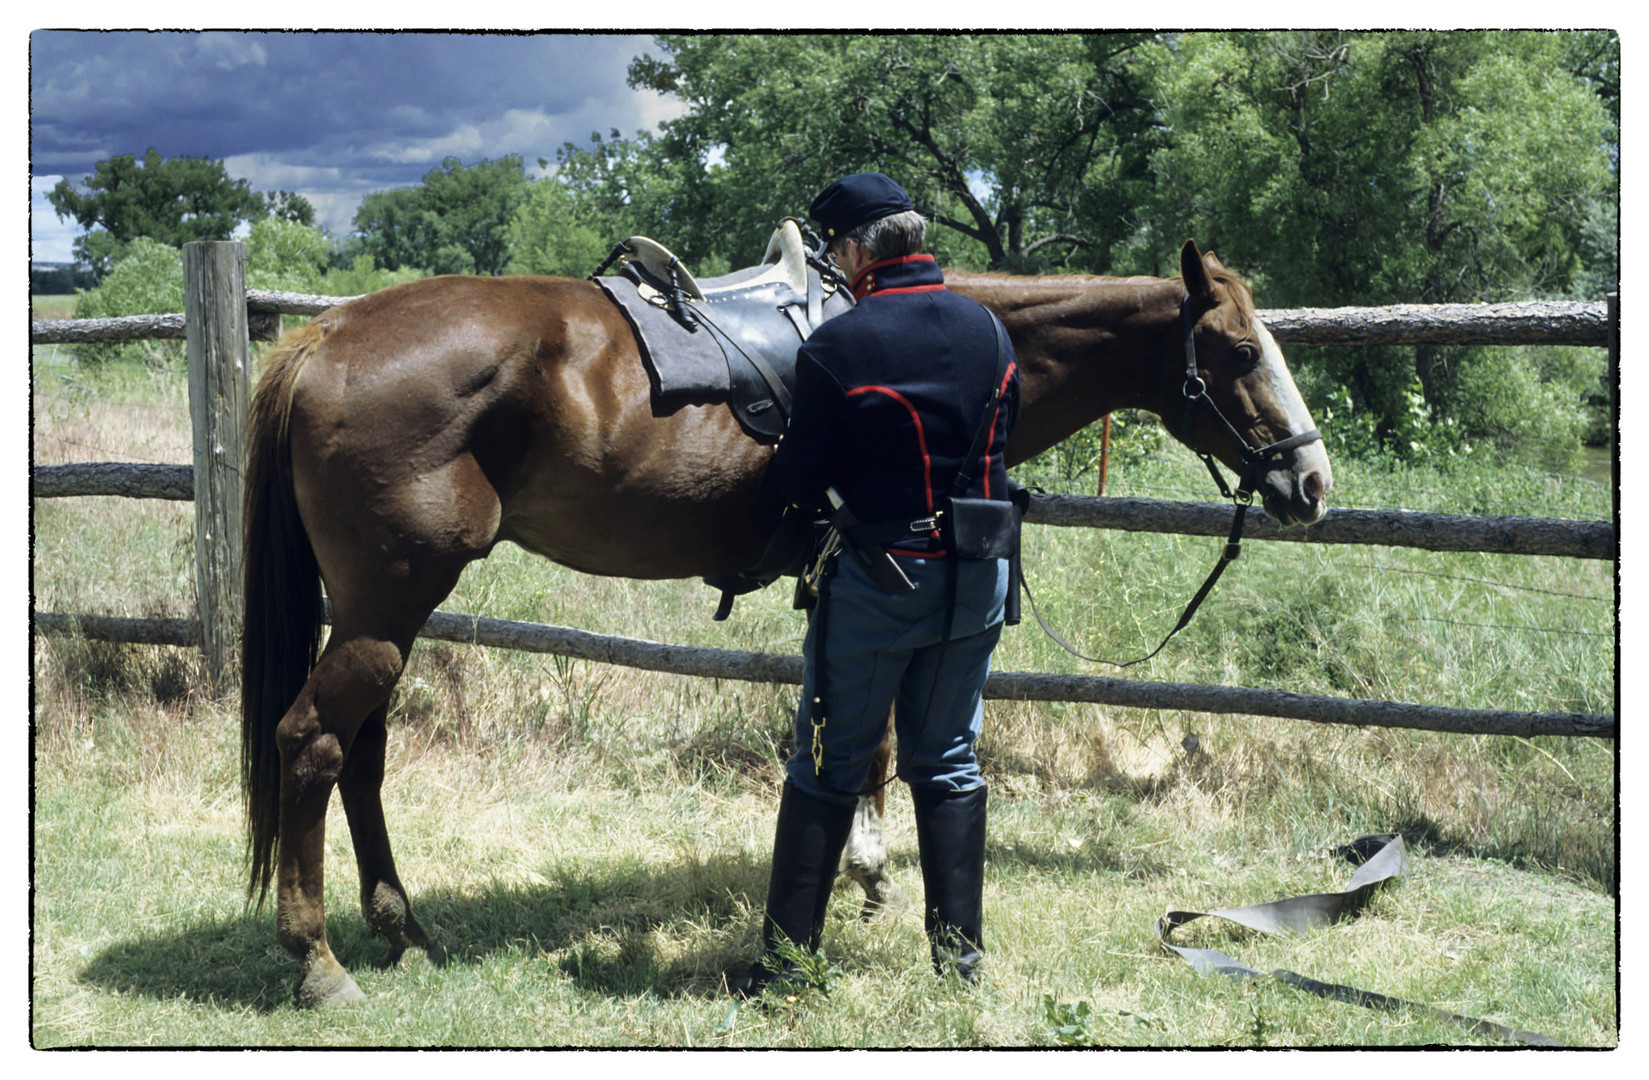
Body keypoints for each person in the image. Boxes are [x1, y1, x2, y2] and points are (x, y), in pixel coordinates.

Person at [731, 173, 1021, 995]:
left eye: (833, 249)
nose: (831, 261)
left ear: (856, 250)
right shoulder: (989, 331)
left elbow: (794, 478)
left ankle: (789, 970)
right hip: (979, 580)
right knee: (950, 762)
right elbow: (1003, 441)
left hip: (879, 583)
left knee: (825, 765)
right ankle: (959, 965)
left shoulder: (839, 344)